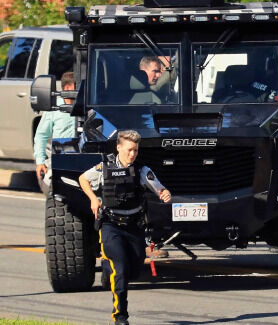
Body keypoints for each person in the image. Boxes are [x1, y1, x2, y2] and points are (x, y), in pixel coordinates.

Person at [79, 130, 172, 325]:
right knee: (120, 270)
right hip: (111, 226)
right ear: (118, 147)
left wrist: (164, 193)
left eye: (136, 150)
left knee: (134, 271)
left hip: (134, 227)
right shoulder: (104, 167)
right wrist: (93, 199)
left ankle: (108, 266)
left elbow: (159, 187)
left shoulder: (142, 170)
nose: (133, 154)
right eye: (129, 150)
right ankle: (120, 316)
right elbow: (83, 179)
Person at [34, 71, 76, 192]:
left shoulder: (88, 108)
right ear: (68, 88)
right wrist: (40, 162)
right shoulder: (54, 108)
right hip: (61, 159)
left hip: (84, 161)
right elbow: (41, 135)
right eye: (78, 86)